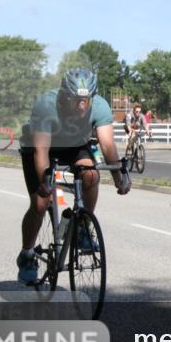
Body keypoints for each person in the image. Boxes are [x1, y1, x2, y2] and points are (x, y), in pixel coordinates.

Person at [17, 68, 131, 283]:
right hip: (41, 146)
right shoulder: (46, 105)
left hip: (74, 145)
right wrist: (46, 183)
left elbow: (107, 144)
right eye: (76, 100)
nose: (81, 105)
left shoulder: (99, 106)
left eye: (85, 100)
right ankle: (27, 253)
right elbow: (41, 151)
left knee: (90, 175)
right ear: (64, 95)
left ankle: (82, 227)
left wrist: (119, 179)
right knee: (41, 203)